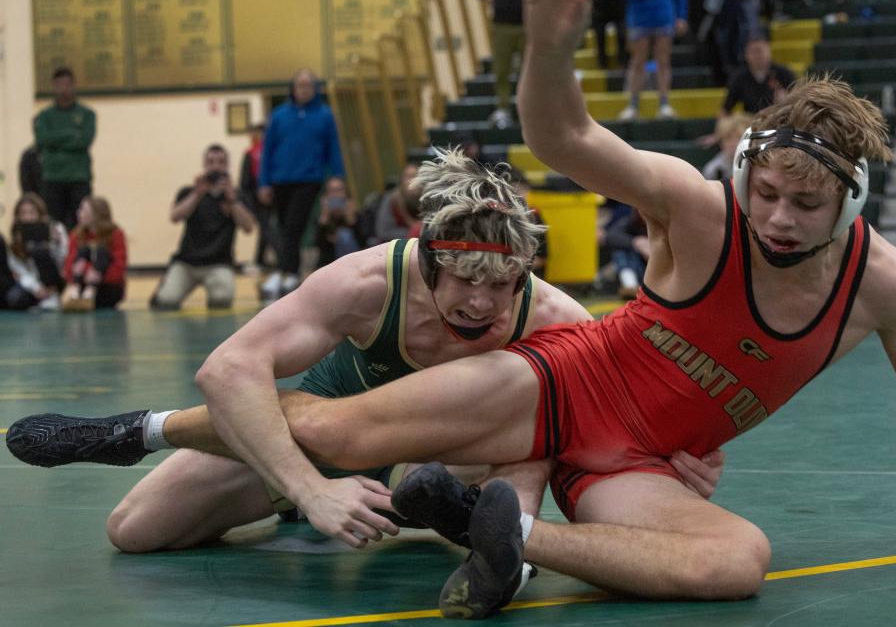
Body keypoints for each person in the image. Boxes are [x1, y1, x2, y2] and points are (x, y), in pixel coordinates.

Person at [14, 0, 896, 620]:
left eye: (807, 203)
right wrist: (549, 45)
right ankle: (141, 429)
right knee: (338, 432)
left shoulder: (885, 286)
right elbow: (566, 139)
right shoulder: (698, 208)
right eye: (769, 193)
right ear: (745, 176)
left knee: (736, 560)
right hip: (556, 388)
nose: (779, 219)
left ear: (852, 201)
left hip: (635, 467)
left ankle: (499, 529)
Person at [7, 150, 724, 575]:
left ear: (523, 276)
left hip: (439, 458)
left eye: (499, 286)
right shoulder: (365, 283)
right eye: (464, 285)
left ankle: (500, 548)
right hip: (321, 440)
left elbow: (617, 404)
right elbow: (228, 370)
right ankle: (145, 434)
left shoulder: (552, 315)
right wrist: (310, 490)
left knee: (530, 433)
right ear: (429, 265)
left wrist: (672, 458)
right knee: (132, 531)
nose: (480, 306)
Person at [259, 69, 346, 300]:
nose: (304, 90)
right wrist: (264, 182)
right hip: (280, 180)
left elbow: (333, 148)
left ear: (315, 89)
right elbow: (267, 151)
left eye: (308, 85)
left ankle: (287, 272)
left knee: (293, 228)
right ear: (293, 88)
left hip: (308, 180)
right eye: (300, 85)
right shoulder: (278, 116)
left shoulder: (325, 115)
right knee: (282, 227)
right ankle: (286, 270)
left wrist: (338, 175)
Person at [150, 145, 256, 311]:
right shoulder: (188, 191)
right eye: (211, 162)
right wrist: (197, 194)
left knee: (222, 298)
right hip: (187, 263)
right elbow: (175, 216)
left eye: (221, 162)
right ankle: (164, 287)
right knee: (166, 301)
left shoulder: (237, 195)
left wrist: (233, 201)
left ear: (227, 165)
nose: (215, 166)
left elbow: (249, 227)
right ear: (204, 165)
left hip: (219, 264)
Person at [614, 0, 688, 120]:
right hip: (640, 16)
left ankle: (664, 104)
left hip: (664, 14)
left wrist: (681, 16)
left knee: (663, 61)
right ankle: (633, 105)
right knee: (638, 61)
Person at [32, 67, 97, 230]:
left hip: (79, 177)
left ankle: (82, 254)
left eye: (67, 84)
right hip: (52, 177)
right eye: (59, 85)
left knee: (83, 223)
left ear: (73, 85)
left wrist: (55, 139)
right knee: (54, 224)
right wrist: (71, 134)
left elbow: (84, 140)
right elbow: (42, 139)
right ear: (53, 86)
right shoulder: (44, 116)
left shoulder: (87, 114)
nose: (63, 89)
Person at [471, 0, 527, 128]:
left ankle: (526, 108)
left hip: (525, 25)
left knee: (527, 71)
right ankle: (503, 108)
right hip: (502, 25)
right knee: (502, 69)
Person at [5, 193, 68, 311]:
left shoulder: (55, 228)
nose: (28, 217)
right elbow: (19, 269)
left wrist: (57, 244)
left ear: (40, 213)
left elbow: (64, 261)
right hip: (33, 285)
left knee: (40, 250)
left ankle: (53, 297)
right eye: (23, 213)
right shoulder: (16, 236)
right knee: (14, 298)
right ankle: (40, 300)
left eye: (31, 212)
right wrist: (36, 288)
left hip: (56, 281)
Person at [62, 196, 127, 310]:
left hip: (107, 287)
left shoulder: (115, 234)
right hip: (81, 284)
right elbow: (69, 266)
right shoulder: (76, 235)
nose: (79, 213)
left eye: (83, 210)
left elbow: (119, 268)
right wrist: (88, 271)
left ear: (96, 214)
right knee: (83, 251)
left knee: (102, 251)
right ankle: (79, 293)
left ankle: (88, 293)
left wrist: (97, 275)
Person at [239, 123, 279, 272]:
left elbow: (244, 182)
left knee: (266, 228)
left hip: (261, 196)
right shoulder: (263, 153)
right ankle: (260, 260)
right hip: (262, 196)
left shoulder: (254, 153)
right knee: (265, 227)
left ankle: (280, 257)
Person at [315, 177, 361, 268]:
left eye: (340, 190)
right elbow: (318, 245)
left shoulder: (355, 215)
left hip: (355, 262)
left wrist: (351, 219)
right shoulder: (323, 218)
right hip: (330, 264)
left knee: (344, 235)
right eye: (332, 191)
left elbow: (363, 242)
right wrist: (325, 218)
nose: (336, 195)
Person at [372, 160, 421, 244]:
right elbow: (383, 232)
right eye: (407, 177)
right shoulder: (392, 199)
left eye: (414, 176)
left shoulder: (426, 198)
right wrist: (413, 232)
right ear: (401, 180)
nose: (411, 181)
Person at [701, 113, 754, 181]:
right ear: (721, 142)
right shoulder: (713, 169)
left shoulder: (757, 165)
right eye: (728, 138)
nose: (732, 143)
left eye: (738, 138)